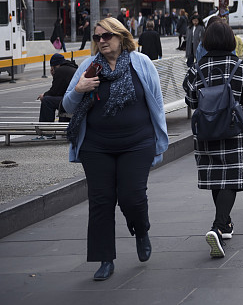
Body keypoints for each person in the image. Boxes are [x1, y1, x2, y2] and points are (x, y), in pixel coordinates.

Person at [62, 17, 169, 281]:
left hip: (137, 142)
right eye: (97, 37)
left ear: (121, 37)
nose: (101, 41)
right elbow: (67, 105)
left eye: (106, 36)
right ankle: (105, 259)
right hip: (96, 146)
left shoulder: (140, 63)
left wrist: (159, 136)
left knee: (132, 197)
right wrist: (79, 89)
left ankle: (141, 230)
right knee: (101, 202)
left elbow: (155, 101)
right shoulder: (89, 67)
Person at [183, 19, 243, 258]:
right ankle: (218, 227)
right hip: (235, 131)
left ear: (206, 41)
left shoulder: (196, 68)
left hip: (206, 132)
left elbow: (190, 99)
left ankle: (226, 223)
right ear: (231, 40)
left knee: (216, 177)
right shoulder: (239, 66)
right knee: (230, 179)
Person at [37, 53, 79, 124]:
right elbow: (61, 90)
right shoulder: (72, 68)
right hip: (76, 100)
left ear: (54, 66)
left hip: (72, 102)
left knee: (47, 101)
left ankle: (46, 131)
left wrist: (44, 95)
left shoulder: (61, 70)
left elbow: (54, 91)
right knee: (60, 100)